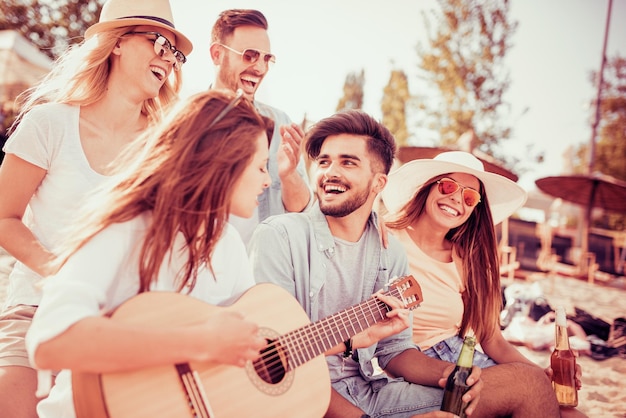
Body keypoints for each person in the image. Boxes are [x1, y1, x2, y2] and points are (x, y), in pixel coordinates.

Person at [24, 89, 274, 417]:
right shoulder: (124, 227)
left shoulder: (226, 242)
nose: (268, 180)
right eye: (260, 166)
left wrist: (341, 342)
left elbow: (242, 344)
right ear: (223, 163)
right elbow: (50, 341)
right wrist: (201, 341)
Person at [0, 0, 192, 416]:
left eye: (174, 53)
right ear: (117, 43)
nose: (167, 57)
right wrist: (64, 274)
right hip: (38, 310)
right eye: (158, 41)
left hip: (122, 326)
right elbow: (4, 217)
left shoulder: (164, 150)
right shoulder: (48, 124)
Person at [249, 110, 497, 418]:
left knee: (488, 402)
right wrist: (354, 341)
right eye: (324, 161)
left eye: (348, 162)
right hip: (301, 398)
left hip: (368, 390)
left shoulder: (389, 253)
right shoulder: (279, 237)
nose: (330, 172)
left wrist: (450, 375)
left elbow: (393, 350)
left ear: (379, 183)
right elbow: (271, 358)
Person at [382, 151, 585, 417]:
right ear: (427, 187)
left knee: (572, 414)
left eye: (469, 197)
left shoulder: (467, 261)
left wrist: (542, 374)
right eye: (448, 185)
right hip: (413, 368)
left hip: (461, 358)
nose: (457, 198)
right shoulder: (384, 238)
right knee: (532, 390)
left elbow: (492, 339)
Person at [208, 9, 313, 243]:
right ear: (217, 54)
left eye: (266, 58)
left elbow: (301, 210)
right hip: (205, 269)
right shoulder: (186, 123)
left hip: (264, 271)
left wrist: (288, 176)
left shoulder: (280, 124)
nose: (260, 68)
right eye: (250, 55)